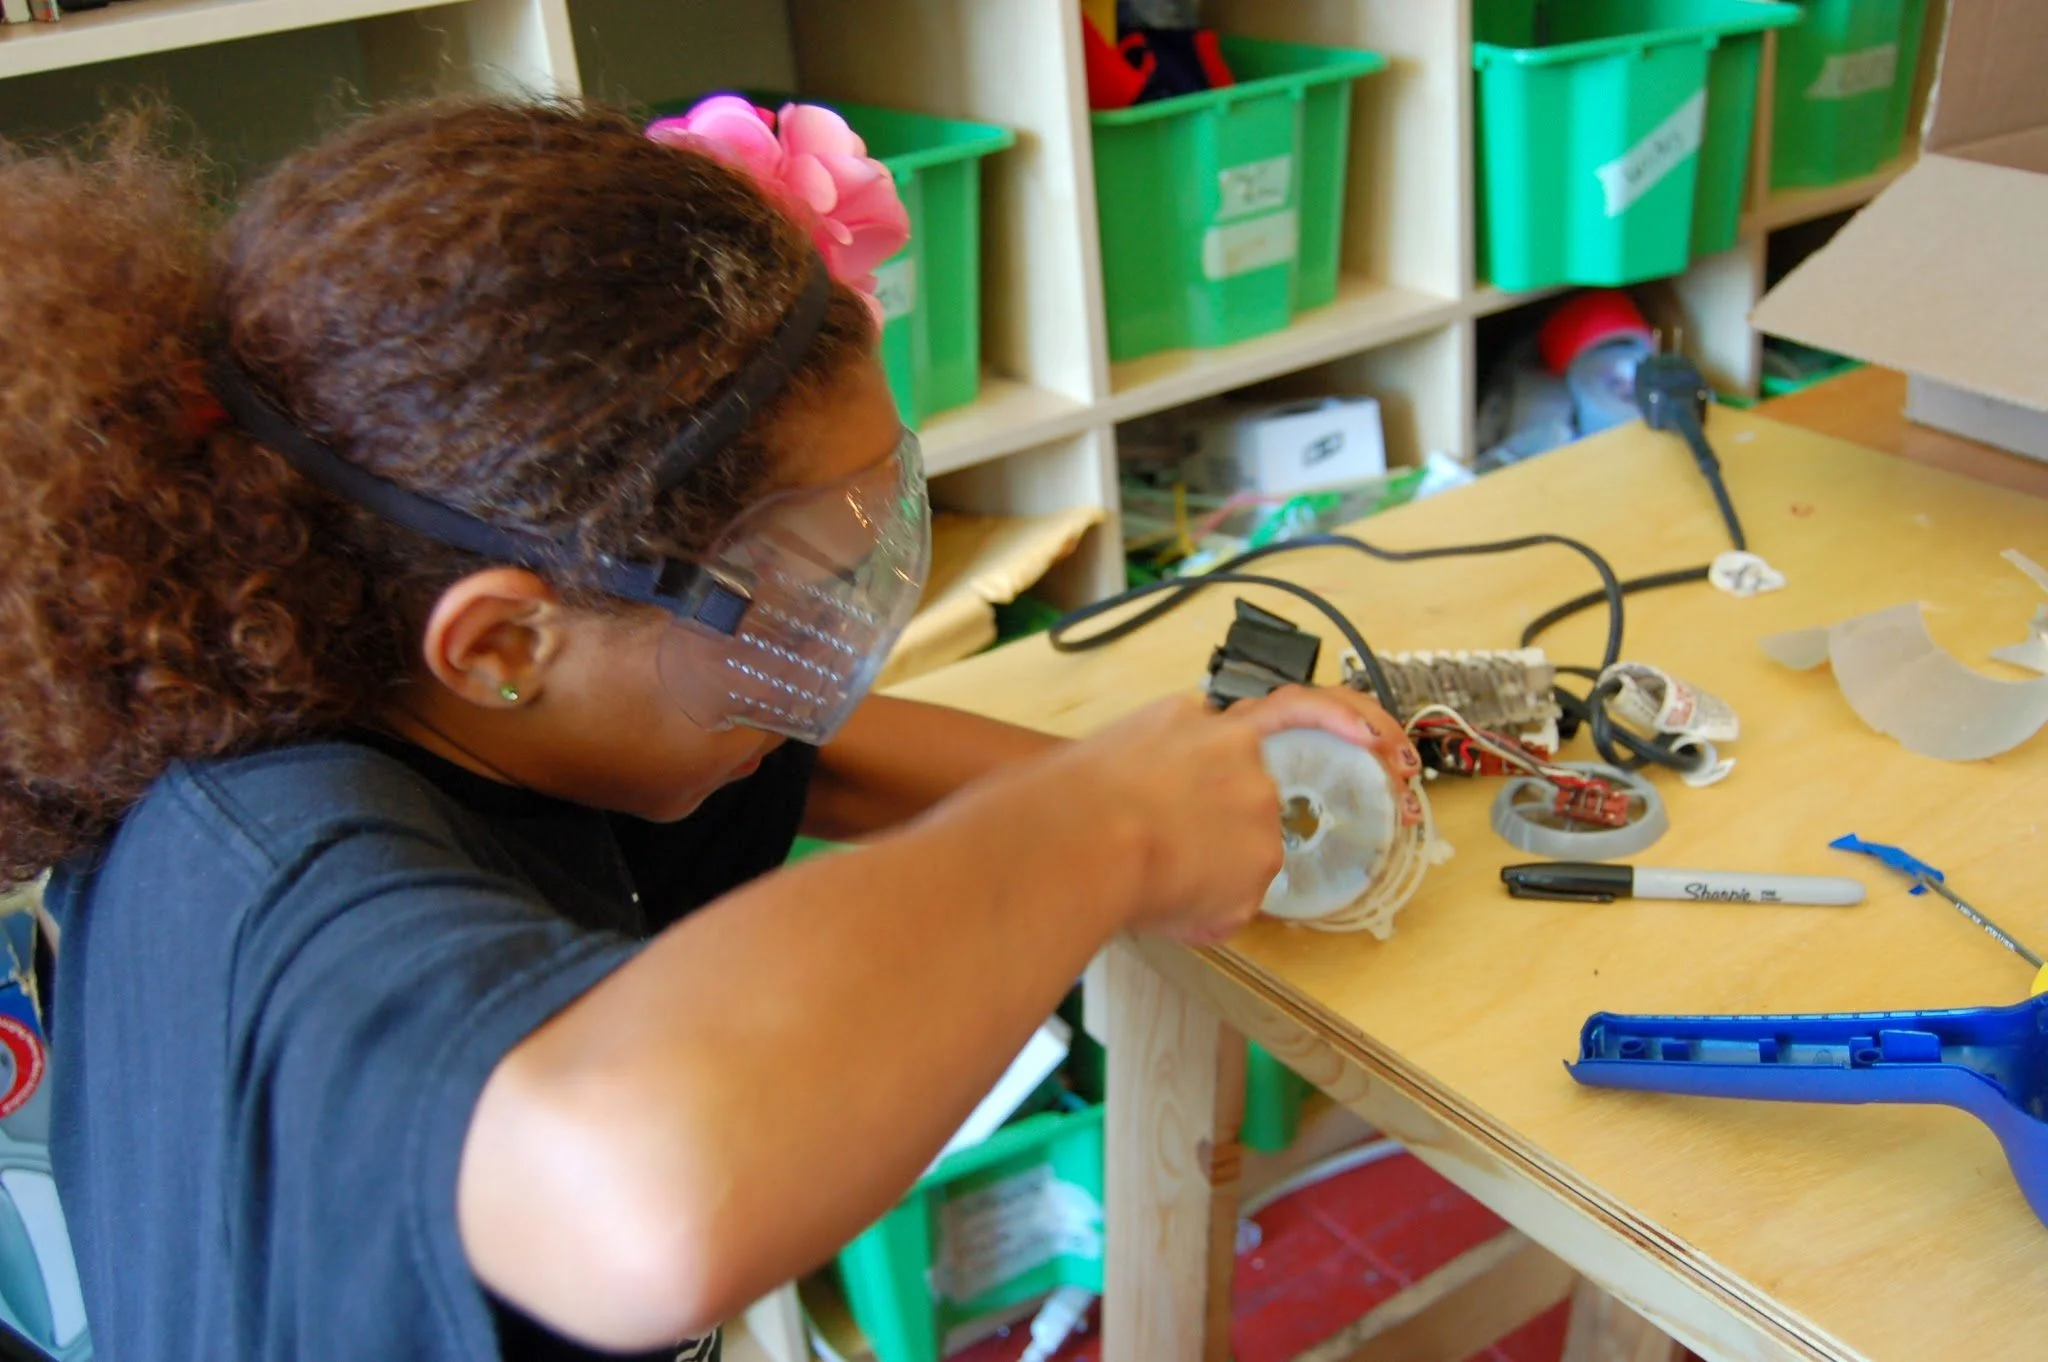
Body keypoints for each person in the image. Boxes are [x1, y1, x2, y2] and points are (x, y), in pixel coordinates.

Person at [0, 98, 1418, 1362]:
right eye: (794, 594)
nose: (829, 644)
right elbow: (650, 1198)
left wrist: (1209, 784)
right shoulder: (276, 887)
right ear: (502, 639)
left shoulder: (501, 719)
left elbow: (831, 767)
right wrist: (1109, 828)